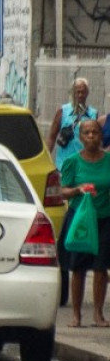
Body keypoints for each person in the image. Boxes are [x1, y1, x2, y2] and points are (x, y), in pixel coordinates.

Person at [56, 116, 110, 328]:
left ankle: (98, 314)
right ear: (80, 137)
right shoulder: (72, 162)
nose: (91, 136)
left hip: (104, 219)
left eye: (95, 132)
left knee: (100, 268)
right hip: (80, 220)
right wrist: (78, 190)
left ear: (101, 136)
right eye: (86, 133)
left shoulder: (108, 161)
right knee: (78, 267)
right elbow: (62, 191)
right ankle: (76, 315)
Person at [48, 77, 97, 169]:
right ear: (73, 93)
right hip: (64, 163)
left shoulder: (92, 114)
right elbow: (52, 136)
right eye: (77, 92)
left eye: (83, 92)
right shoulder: (62, 111)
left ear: (87, 93)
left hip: (84, 164)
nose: (80, 95)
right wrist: (45, 159)